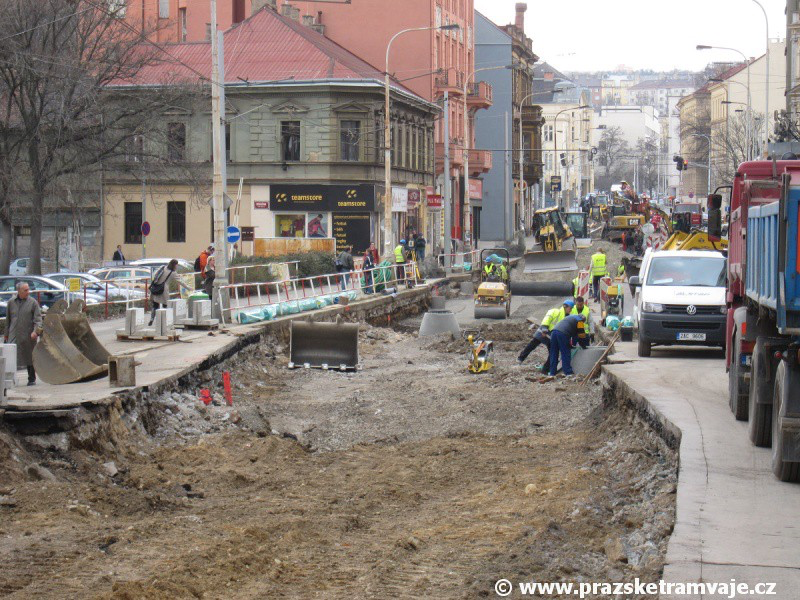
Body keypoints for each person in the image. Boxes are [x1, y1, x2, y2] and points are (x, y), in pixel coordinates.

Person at [5, 282, 43, 386]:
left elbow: (38, 321)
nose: (28, 292)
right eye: (25, 290)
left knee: (29, 357)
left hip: (28, 335)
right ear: (19, 291)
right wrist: (6, 335)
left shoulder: (33, 303)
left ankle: (31, 379)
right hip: (14, 334)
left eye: (28, 290)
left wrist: (36, 332)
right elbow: (8, 320)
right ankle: (10, 379)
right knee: (11, 357)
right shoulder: (11, 302)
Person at [517, 299, 573, 364]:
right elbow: (547, 319)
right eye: (570, 308)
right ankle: (520, 358)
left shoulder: (566, 317)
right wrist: (544, 329)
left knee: (552, 352)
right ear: (565, 306)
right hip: (543, 332)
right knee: (532, 345)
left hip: (551, 336)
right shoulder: (555, 311)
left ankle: (546, 369)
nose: (571, 310)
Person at [149, 259, 190, 326]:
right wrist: (188, 287)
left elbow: (155, 274)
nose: (177, 266)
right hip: (163, 289)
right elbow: (180, 282)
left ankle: (152, 318)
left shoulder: (163, 267)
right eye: (177, 265)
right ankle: (164, 321)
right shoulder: (173, 273)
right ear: (174, 265)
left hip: (156, 287)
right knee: (166, 305)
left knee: (155, 305)